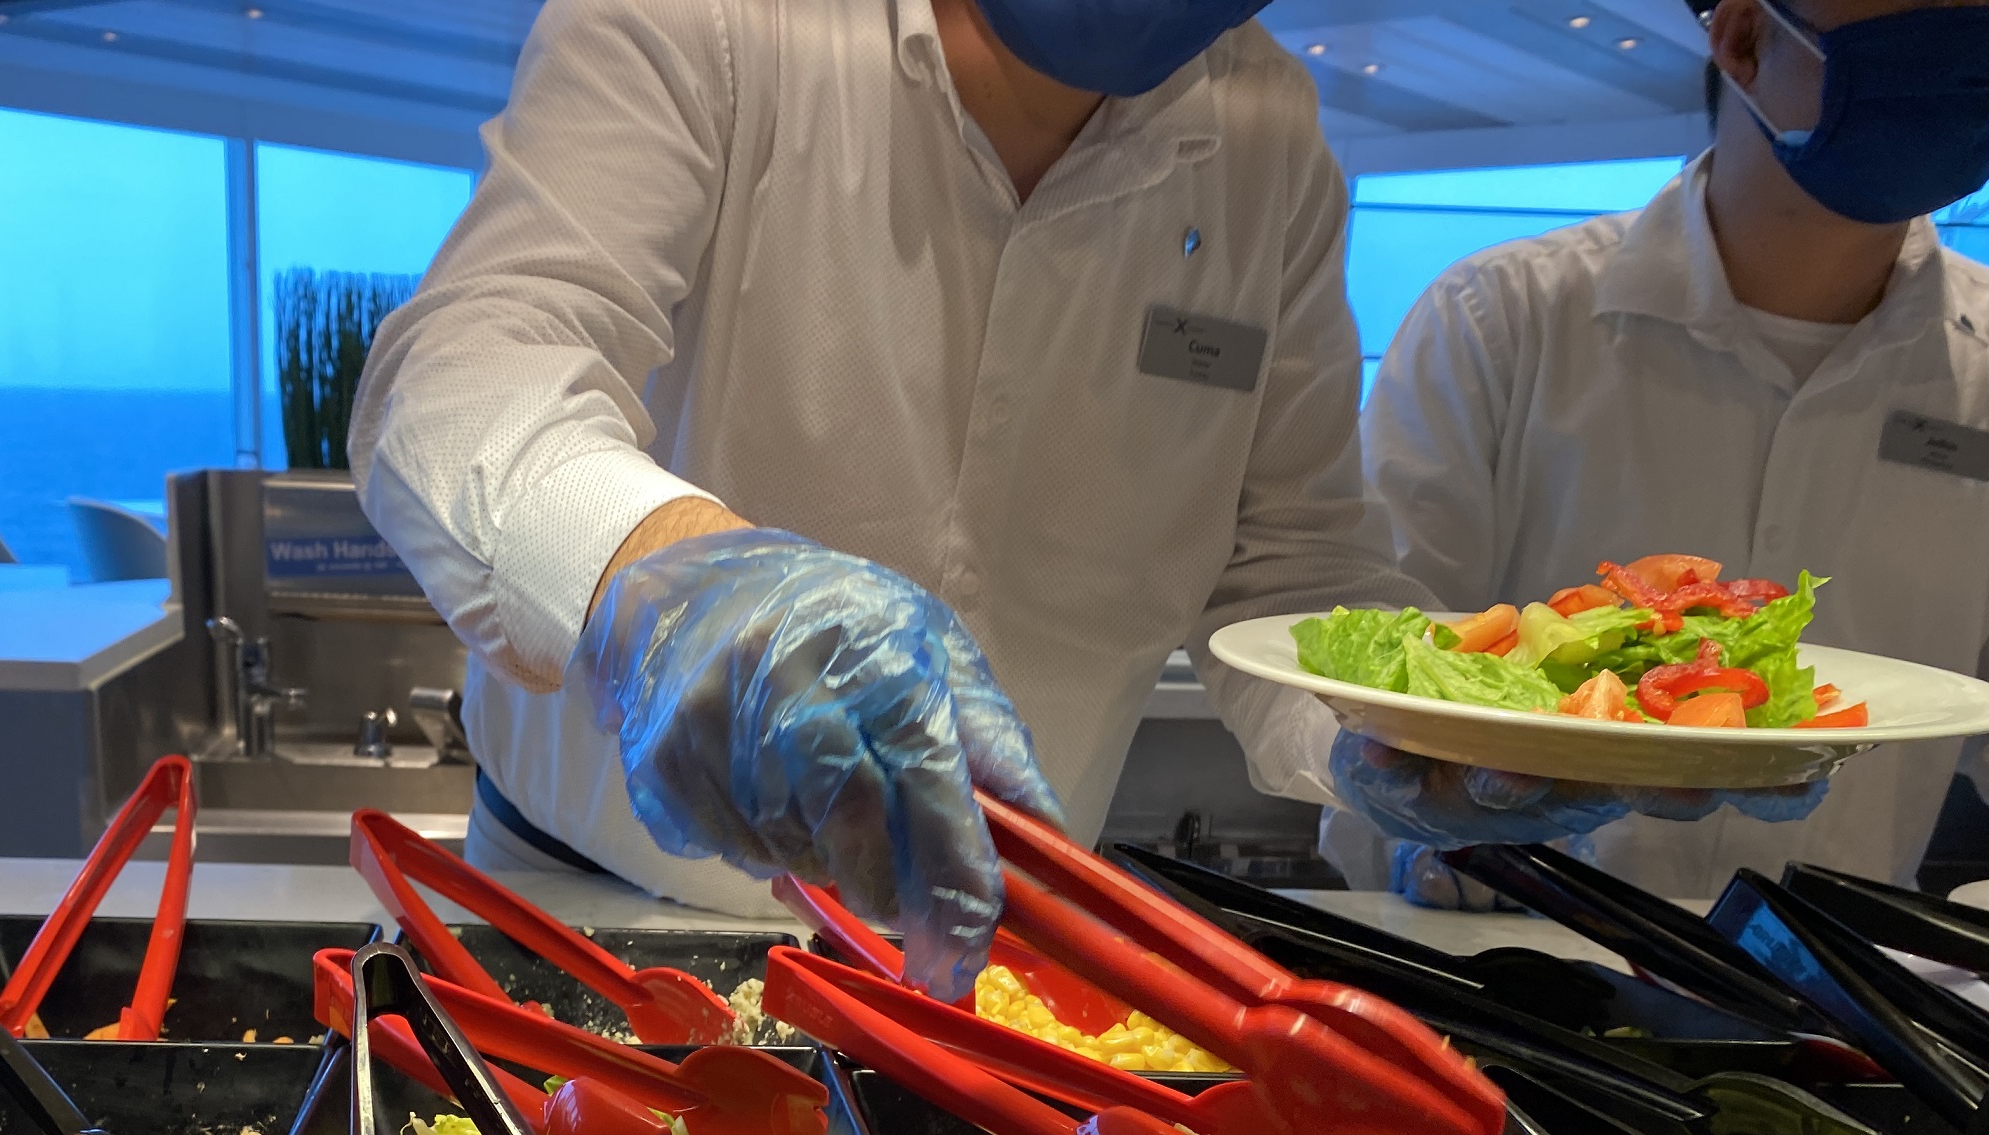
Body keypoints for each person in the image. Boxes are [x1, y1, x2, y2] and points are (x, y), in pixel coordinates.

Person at [353, 0, 1802, 995]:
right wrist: (670, 580)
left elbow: (1291, 564)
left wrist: (1407, 731)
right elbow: (471, 366)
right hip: (600, 926)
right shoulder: (713, 26)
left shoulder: (1266, 137)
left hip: (999, 954)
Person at [1349, 0, 1989, 906]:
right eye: (1916, 21)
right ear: (1743, 39)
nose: (1960, 57)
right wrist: (1424, 822)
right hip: (1497, 953)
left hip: (1839, 990)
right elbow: (1382, 662)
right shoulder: (1504, 319)